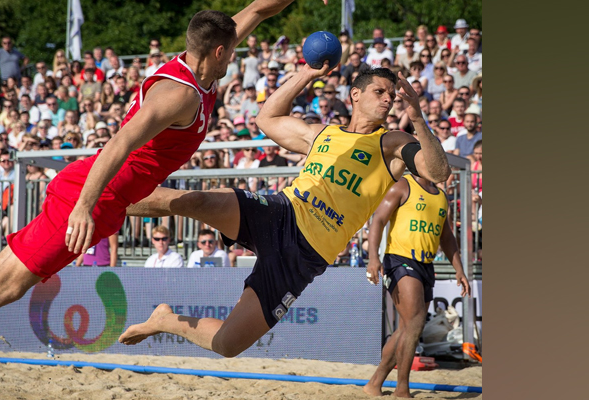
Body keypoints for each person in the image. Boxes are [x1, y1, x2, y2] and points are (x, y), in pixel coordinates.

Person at [117, 64, 451, 358]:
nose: (389, 99)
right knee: (198, 201)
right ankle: (110, 200)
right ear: (355, 95)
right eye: (380, 91)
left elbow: (438, 172)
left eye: (392, 94)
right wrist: (306, 74)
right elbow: (266, 118)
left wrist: (417, 118)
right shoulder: (323, 133)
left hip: (304, 258)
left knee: (227, 344)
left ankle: (165, 320)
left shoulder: (393, 143)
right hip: (282, 214)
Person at [0, 0, 306, 310]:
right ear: (219, 52)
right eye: (230, 51)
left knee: (4, 274)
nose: (234, 55)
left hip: (114, 195)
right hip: (95, 197)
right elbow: (120, 142)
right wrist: (83, 207)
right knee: (7, 286)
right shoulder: (180, 95)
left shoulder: (201, 63)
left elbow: (258, 9)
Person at [363, 173, 470, 398]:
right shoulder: (403, 185)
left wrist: (459, 269)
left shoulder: (441, 196)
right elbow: (378, 219)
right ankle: (402, 389)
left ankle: (374, 383)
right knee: (415, 321)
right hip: (399, 259)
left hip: (426, 264)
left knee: (407, 327)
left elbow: (446, 236)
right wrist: (373, 257)